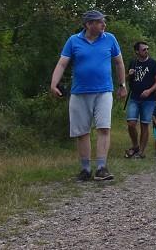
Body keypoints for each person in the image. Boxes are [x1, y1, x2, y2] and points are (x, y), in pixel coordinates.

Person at [50, 10, 127, 182]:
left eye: (103, 22)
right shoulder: (73, 40)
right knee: (81, 131)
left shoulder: (110, 39)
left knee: (104, 127)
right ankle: (85, 169)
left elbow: (119, 62)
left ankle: (101, 168)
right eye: (100, 22)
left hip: (104, 91)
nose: (103, 25)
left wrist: (122, 85)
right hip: (80, 92)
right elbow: (62, 64)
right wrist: (54, 84)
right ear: (88, 24)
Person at [124, 41, 156, 158]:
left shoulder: (153, 63)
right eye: (144, 49)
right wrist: (129, 75)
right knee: (131, 123)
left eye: (147, 49)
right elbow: (124, 79)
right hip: (134, 97)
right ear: (137, 51)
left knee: (145, 124)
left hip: (149, 99)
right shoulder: (133, 63)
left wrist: (149, 91)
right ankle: (135, 146)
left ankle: (141, 152)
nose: (146, 51)